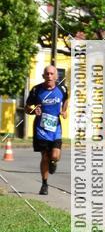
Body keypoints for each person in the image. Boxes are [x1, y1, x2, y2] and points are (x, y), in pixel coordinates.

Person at [26, 65, 69, 196]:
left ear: (56, 76)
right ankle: (44, 184)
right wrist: (33, 111)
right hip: (41, 129)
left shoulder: (62, 89)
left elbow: (66, 99)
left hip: (55, 128)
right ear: (43, 76)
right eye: (47, 74)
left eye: (52, 74)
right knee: (45, 156)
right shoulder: (36, 90)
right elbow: (27, 107)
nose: (49, 76)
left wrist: (64, 110)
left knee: (55, 155)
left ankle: (53, 162)